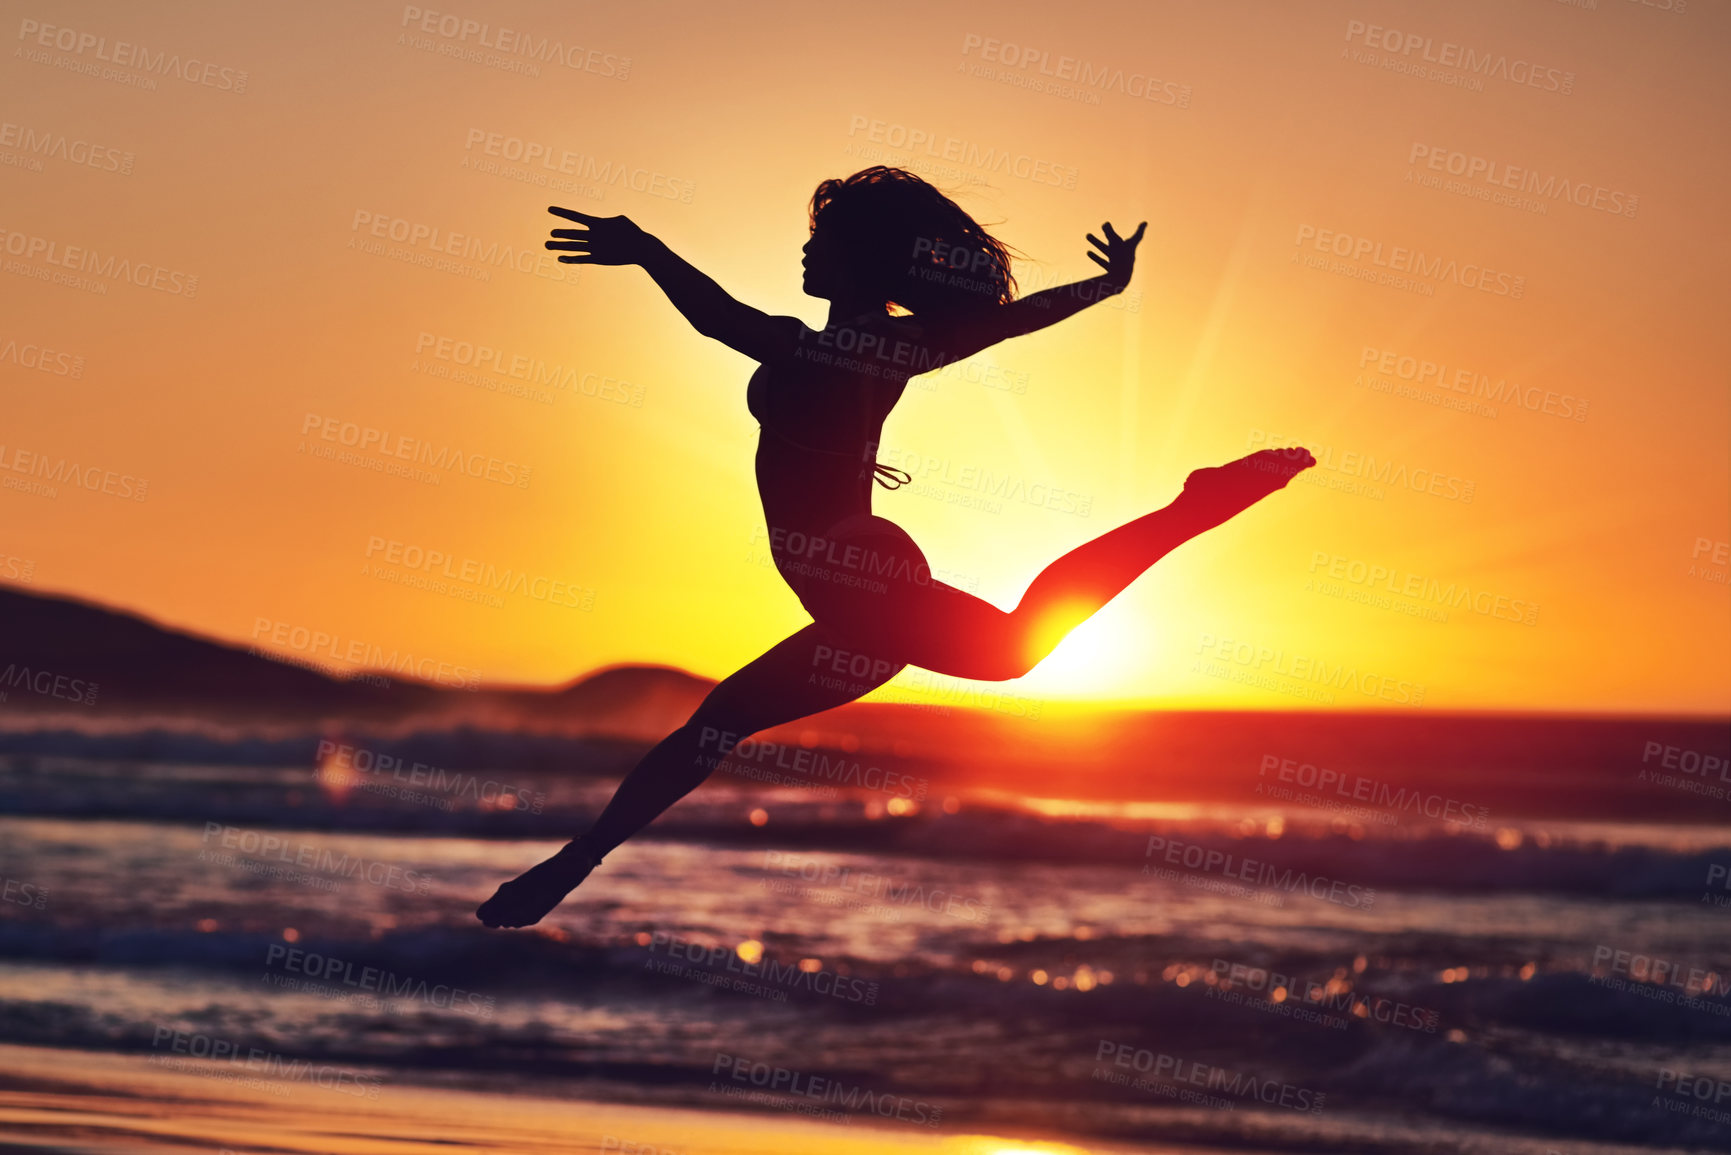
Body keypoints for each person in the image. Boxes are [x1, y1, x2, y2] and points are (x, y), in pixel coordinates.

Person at [477, 166, 1313, 928]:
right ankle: (573, 862)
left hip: (855, 569)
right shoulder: (897, 347)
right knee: (723, 721)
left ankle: (1196, 506)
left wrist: (650, 251)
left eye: (820, 242)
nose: (805, 251)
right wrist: (1106, 285)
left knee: (1012, 648)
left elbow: (718, 319)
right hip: (849, 596)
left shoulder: (832, 346)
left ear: (859, 261)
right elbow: (1019, 321)